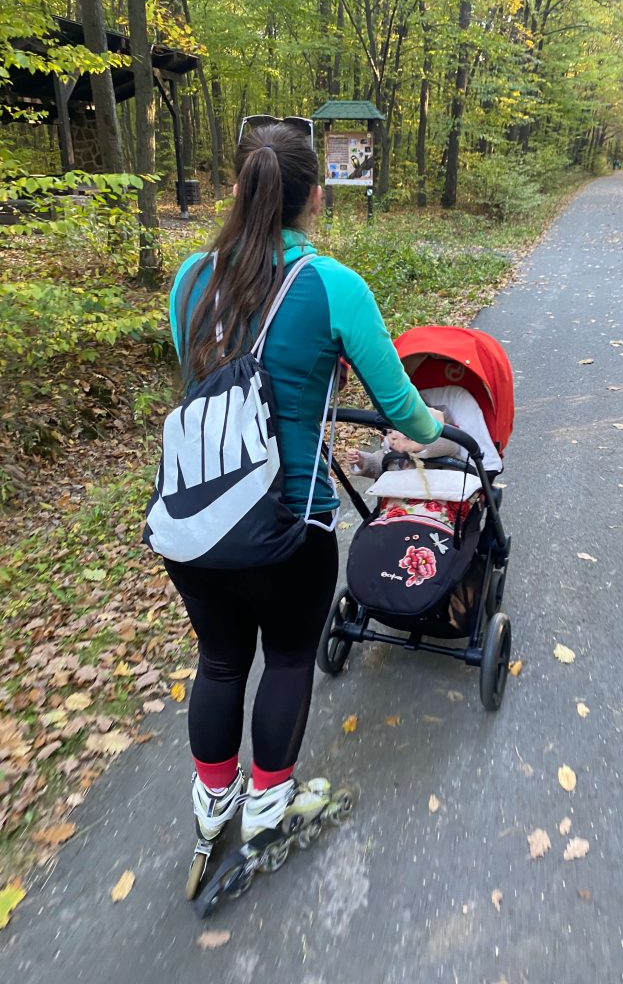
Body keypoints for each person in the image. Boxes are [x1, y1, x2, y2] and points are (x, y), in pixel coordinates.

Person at [162, 122, 445, 899]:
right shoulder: (334, 287)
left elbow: (195, 378)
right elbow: (403, 409)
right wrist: (431, 437)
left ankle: (211, 801)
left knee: (220, 661)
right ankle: (266, 808)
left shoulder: (189, 279)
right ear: (315, 197)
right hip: (289, 526)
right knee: (287, 660)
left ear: (235, 191)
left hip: (192, 523)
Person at [347, 404, 459, 477]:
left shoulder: (439, 441)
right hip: (399, 501)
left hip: (437, 494)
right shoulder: (390, 452)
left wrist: (417, 445)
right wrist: (362, 460)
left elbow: (451, 445)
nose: (393, 437)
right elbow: (378, 464)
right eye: (389, 432)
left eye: (403, 433)